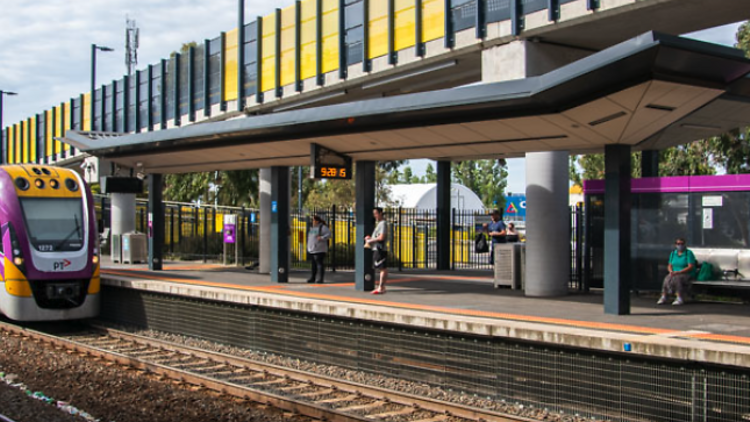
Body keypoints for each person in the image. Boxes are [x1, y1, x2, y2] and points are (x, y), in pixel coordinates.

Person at [658, 237, 696, 306]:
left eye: (682, 244)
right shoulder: (673, 253)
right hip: (674, 272)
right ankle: (664, 296)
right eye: (678, 244)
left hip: (686, 273)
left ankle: (679, 297)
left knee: (677, 279)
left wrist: (680, 272)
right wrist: (671, 271)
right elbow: (669, 265)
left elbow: (690, 266)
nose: (680, 245)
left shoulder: (688, 253)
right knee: (667, 278)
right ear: (675, 245)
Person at [365, 207, 388, 294]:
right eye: (374, 214)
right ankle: (381, 287)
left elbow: (382, 237)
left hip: (380, 249)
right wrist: (370, 238)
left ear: (381, 213)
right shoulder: (379, 224)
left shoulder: (382, 224)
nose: (375, 216)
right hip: (376, 248)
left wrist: (371, 240)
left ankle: (381, 287)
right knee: (379, 267)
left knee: (382, 268)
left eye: (376, 213)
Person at [306, 215, 331, 284]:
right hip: (312, 249)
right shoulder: (313, 228)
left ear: (317, 221)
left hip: (319, 249)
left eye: (313, 220)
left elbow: (329, 234)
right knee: (313, 265)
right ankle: (313, 277)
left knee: (319, 264)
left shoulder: (323, 227)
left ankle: (320, 278)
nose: (312, 222)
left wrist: (322, 238)